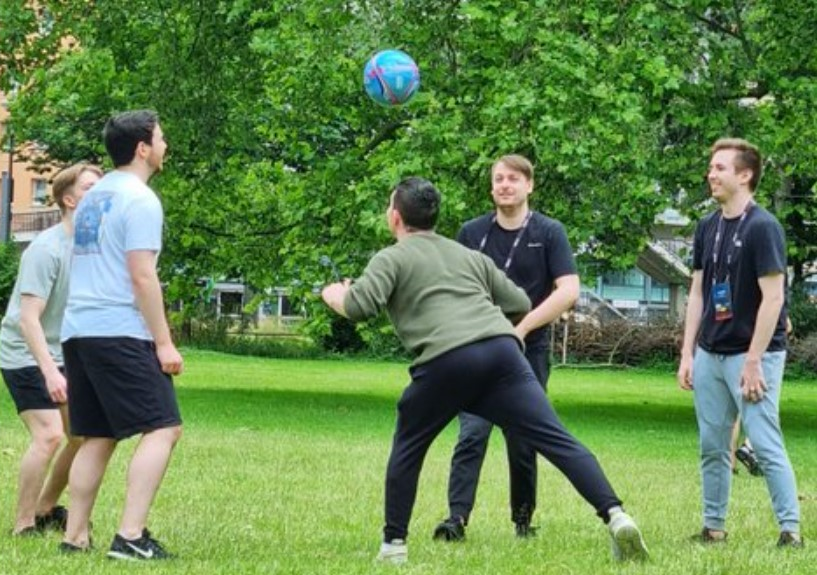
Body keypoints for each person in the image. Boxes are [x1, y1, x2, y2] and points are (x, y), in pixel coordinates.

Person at [322, 177, 649, 564]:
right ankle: (616, 515)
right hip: (501, 353)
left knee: (409, 446)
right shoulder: (469, 257)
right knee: (557, 439)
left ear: (395, 217)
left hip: (445, 361)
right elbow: (519, 301)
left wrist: (334, 294)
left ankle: (394, 547)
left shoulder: (391, 257)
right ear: (434, 216)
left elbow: (360, 306)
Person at [59, 110, 184, 560]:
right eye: (161, 136)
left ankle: (74, 537)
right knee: (164, 428)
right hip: (118, 330)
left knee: (98, 433)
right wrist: (164, 342)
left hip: (79, 329)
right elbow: (142, 277)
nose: (166, 144)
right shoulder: (141, 199)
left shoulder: (93, 197)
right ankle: (130, 537)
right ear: (143, 148)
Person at [434, 154, 580, 540]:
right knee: (472, 432)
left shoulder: (550, 232)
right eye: (498, 179)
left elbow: (568, 290)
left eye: (513, 179)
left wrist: (523, 327)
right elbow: (453, 287)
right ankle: (456, 519)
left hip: (527, 350)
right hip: (478, 346)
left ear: (529, 185)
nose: (504, 185)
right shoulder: (472, 233)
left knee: (523, 436)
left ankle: (522, 520)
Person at [677, 138, 803, 548]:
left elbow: (774, 298)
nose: (711, 174)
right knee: (712, 446)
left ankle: (791, 531)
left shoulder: (763, 227)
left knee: (765, 443)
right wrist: (688, 352)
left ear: (744, 175)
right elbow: (698, 292)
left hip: (754, 354)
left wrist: (753, 361)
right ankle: (713, 528)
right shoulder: (707, 226)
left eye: (720, 168)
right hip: (710, 352)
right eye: (711, 167)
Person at [0, 163, 102, 536]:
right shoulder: (46, 250)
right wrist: (49, 371)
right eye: (91, 188)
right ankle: (23, 524)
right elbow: (28, 320)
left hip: (65, 352)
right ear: (70, 200)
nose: (100, 193)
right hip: (25, 352)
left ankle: (45, 509)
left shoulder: (95, 248)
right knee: (49, 435)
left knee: (83, 435)